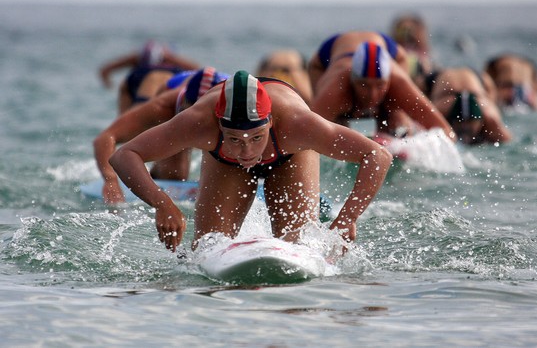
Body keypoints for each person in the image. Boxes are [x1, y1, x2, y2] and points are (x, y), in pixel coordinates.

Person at [109, 70, 393, 252]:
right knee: (206, 251)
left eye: (256, 137)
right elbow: (124, 155)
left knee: (298, 249)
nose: (246, 151)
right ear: (218, 125)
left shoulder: (298, 124)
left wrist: (347, 218)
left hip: (290, 156)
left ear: (270, 123)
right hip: (224, 165)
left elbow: (377, 155)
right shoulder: (197, 122)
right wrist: (163, 204)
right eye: (234, 138)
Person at [94, 67, 230, 204]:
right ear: (183, 104)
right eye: (194, 119)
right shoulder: (162, 107)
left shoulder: (232, 110)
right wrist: (110, 179)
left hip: (221, 99)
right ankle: (154, 173)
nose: (198, 126)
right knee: (173, 172)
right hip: (169, 89)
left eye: (203, 121)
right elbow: (106, 137)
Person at [307, 31, 455, 140]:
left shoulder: (398, 82)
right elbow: (305, 134)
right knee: (332, 126)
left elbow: (445, 131)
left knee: (396, 117)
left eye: (380, 86)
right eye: (364, 85)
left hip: (393, 52)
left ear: (388, 80)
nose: (373, 94)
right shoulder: (336, 89)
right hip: (327, 56)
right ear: (353, 80)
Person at [98, 40, 200, 114]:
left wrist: (108, 84)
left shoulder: (136, 59)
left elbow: (105, 70)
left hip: (136, 82)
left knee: (122, 128)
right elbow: (199, 71)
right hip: (167, 81)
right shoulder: (170, 60)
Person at [418, 67, 512, 145]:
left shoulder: (429, 81)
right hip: (478, 99)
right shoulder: (485, 79)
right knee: (502, 138)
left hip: (446, 99)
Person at [390, 14, 435, 78]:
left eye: (411, 30)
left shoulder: (422, 51)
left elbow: (428, 68)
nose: (407, 35)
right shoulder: (395, 50)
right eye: (403, 31)